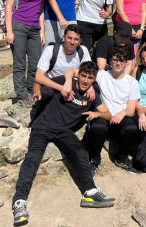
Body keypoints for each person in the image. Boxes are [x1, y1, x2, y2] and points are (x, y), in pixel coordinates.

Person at [12, 62, 116, 224]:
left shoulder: (92, 95)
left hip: (64, 132)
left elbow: (108, 115)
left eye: (90, 78)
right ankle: (19, 201)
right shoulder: (64, 82)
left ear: (93, 79)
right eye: (83, 76)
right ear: (78, 74)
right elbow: (38, 81)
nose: (85, 80)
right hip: (42, 127)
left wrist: (97, 115)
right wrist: (38, 93)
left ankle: (90, 192)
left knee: (81, 153)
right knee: (32, 158)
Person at [73, 46, 141, 175]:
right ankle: (94, 159)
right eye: (115, 60)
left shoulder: (132, 83)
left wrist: (123, 112)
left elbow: (131, 110)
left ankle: (121, 159)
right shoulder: (102, 75)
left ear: (127, 63)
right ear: (110, 60)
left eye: (121, 60)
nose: (118, 63)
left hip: (121, 118)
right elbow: (75, 73)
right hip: (104, 115)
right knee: (97, 126)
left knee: (131, 128)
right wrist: (89, 87)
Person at [5, 0, 49, 107]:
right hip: (19, 26)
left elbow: (41, 10)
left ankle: (31, 90)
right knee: (20, 63)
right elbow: (9, 6)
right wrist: (9, 31)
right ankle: (22, 95)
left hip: (35, 28)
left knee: (36, 62)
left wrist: (42, 31)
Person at [32, 24, 91, 117]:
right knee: (45, 92)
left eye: (76, 39)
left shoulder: (83, 51)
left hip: (73, 86)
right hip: (54, 85)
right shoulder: (51, 50)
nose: (72, 42)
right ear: (63, 38)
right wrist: (61, 88)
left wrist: (90, 87)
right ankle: (42, 110)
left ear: (80, 41)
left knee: (94, 88)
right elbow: (39, 77)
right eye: (69, 38)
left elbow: (89, 73)